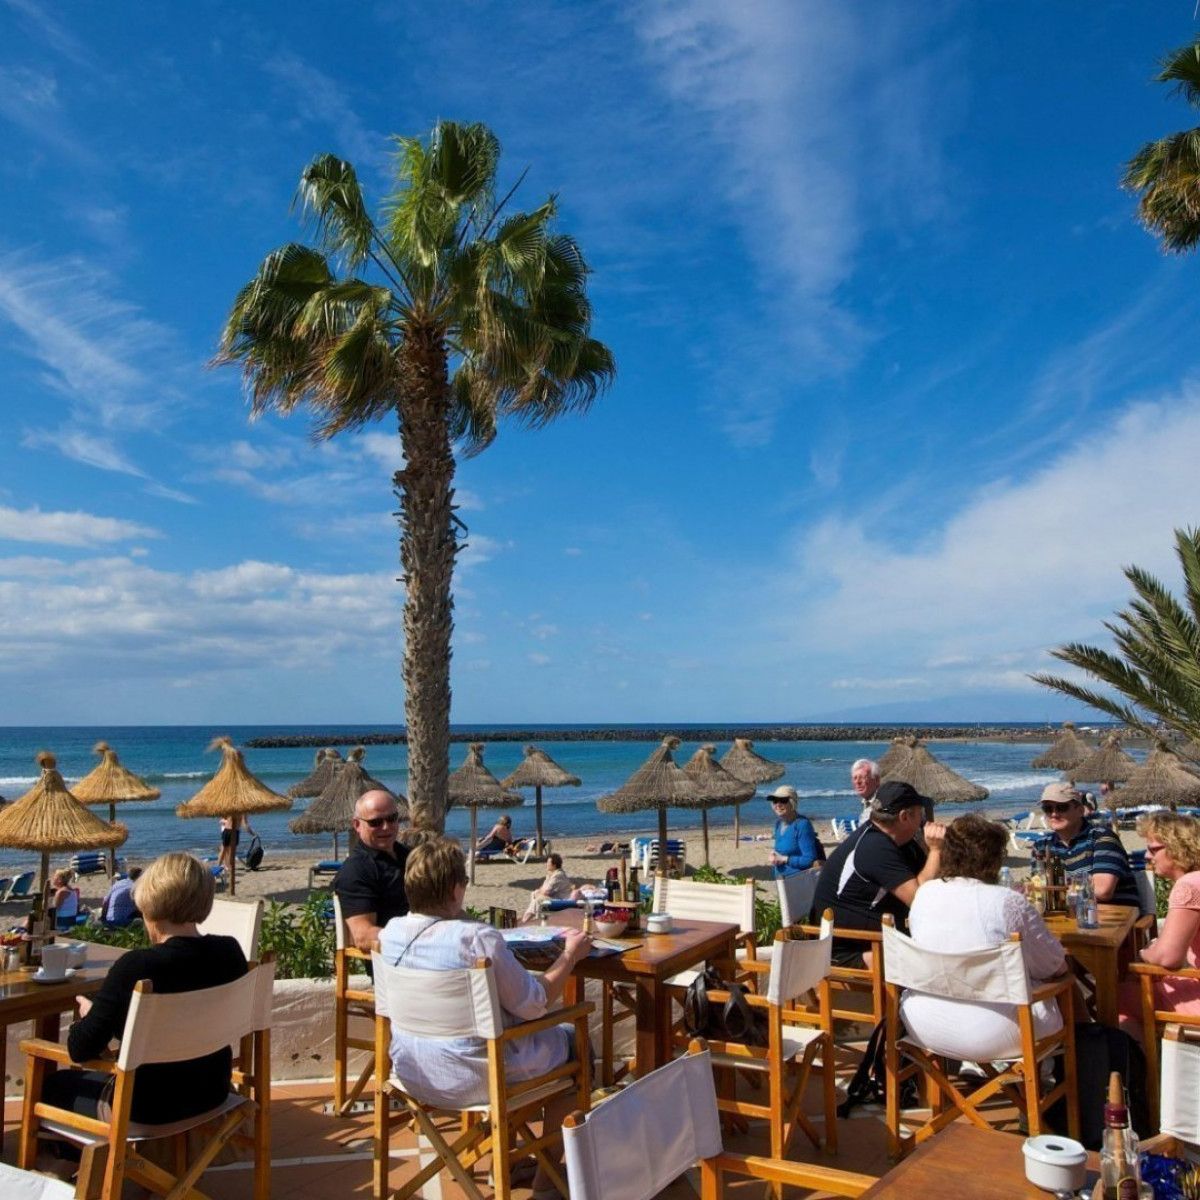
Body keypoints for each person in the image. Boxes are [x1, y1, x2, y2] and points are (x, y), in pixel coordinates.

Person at [380, 838, 592, 1196]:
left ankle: (506, 1161)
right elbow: (533, 1003)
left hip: (412, 1072)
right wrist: (570, 955)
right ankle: (546, 1181)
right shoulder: (475, 939)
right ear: (454, 889)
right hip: (478, 1077)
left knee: (507, 1039)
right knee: (576, 1041)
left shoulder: (391, 935)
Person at [44, 852, 246, 1126]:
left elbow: (80, 1050)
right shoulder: (230, 952)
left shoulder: (137, 966)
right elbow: (181, 1024)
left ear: (150, 904)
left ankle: (63, 1164)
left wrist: (92, 1014)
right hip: (212, 1092)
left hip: (147, 1108)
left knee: (52, 1085)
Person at [901, 814, 1068, 1061]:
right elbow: (1053, 966)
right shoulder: (1006, 902)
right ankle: (1067, 1081)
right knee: (1065, 985)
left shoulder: (924, 895)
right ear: (993, 860)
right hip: (991, 1032)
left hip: (923, 1022)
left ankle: (954, 1086)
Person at [813, 780, 946, 965]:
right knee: (936, 957)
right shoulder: (874, 847)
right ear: (905, 816)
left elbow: (931, 882)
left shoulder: (898, 842)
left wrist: (929, 849)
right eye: (920, 814)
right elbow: (920, 899)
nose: (923, 821)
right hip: (844, 950)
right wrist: (936, 850)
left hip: (875, 936)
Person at [1118, 813, 1200, 1043]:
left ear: (1177, 847)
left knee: (1119, 997)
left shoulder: (1188, 886)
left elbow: (1169, 958)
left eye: (1154, 849)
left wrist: (1144, 953)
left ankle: (1143, 1074)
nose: (1147, 855)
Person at [1036, 782, 1139, 906]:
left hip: (1114, 917)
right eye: (1048, 809)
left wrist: (1056, 888)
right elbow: (1039, 891)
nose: (1054, 814)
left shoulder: (1101, 838)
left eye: (1061, 807)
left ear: (1080, 810)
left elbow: (1102, 891)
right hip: (1069, 917)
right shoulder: (1041, 846)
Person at [333, 790, 409, 953]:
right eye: (375, 822)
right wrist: (424, 940)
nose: (386, 827)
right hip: (393, 964)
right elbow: (363, 936)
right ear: (357, 825)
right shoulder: (356, 870)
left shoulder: (411, 856)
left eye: (392, 818)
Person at [766, 786, 824, 878]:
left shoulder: (802, 825)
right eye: (775, 801)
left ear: (792, 803)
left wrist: (785, 859)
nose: (778, 804)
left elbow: (809, 859)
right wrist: (774, 855)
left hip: (798, 880)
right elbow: (782, 850)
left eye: (783, 800)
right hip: (780, 879)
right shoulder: (778, 824)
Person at [523, 853, 576, 918]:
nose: (547, 864)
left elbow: (546, 891)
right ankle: (532, 916)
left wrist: (540, 892)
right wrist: (539, 892)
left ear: (554, 865)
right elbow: (543, 888)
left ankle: (529, 918)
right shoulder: (551, 874)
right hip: (554, 896)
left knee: (539, 899)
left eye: (548, 862)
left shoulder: (558, 875)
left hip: (561, 900)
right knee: (534, 893)